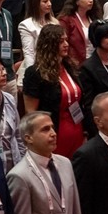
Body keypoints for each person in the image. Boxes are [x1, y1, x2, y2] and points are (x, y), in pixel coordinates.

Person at [23, 23, 85, 157]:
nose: (66, 44)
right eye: (61, 41)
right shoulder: (34, 73)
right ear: (49, 44)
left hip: (77, 130)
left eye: (66, 40)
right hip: (55, 133)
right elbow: (31, 113)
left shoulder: (70, 67)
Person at [18, 0, 58, 74]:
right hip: (37, 67)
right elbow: (29, 52)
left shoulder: (55, 22)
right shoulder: (26, 25)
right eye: (45, 1)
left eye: (50, 0)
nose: (49, 4)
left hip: (54, 66)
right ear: (35, 3)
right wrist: (32, 74)